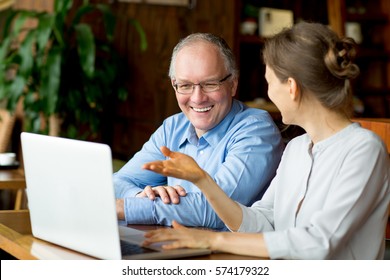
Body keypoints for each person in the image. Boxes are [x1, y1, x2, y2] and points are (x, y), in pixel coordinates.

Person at [142, 22, 390, 259]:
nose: (268, 93)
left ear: (291, 87)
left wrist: (212, 240)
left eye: (269, 83)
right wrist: (203, 180)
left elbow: (319, 243)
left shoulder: (364, 149)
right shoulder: (297, 148)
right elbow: (264, 221)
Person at [114, 33, 284, 230]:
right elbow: (119, 181)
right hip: (175, 247)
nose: (197, 98)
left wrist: (127, 208)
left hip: (228, 255)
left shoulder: (257, 130)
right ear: (174, 85)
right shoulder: (172, 128)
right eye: (185, 85)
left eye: (210, 84)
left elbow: (218, 209)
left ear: (233, 84)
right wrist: (142, 197)